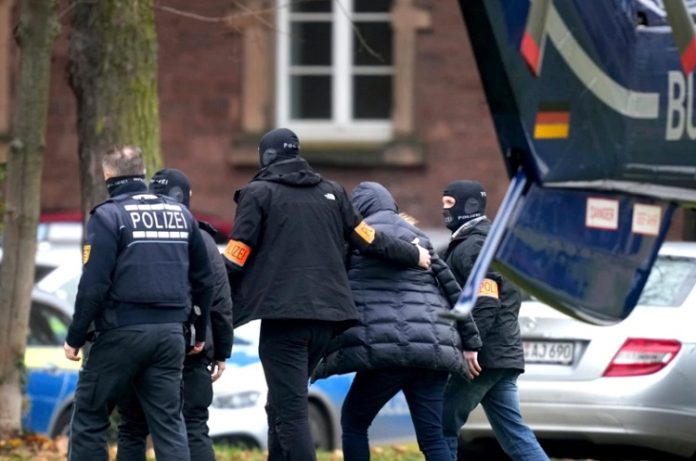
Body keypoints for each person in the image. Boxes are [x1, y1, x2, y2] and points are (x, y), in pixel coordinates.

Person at [223, 128, 431, 461]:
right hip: (327, 320)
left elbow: (239, 253)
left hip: (285, 320)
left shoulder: (258, 193)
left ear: (266, 157)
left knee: (291, 412)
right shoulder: (332, 192)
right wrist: (412, 253)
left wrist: (206, 280)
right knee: (281, 404)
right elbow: (368, 239)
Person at [312, 181, 482, 461]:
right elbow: (453, 290)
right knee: (432, 436)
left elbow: (334, 286)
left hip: (385, 349)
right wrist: (471, 343)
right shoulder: (419, 237)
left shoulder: (355, 238)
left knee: (354, 423)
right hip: (433, 348)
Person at [64, 146, 214, 461]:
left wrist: (75, 336)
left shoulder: (108, 216)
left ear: (107, 174)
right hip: (170, 336)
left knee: (90, 415)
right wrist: (199, 332)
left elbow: (94, 285)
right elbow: (203, 280)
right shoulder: (181, 215)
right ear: (143, 173)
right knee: (169, 425)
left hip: (120, 332)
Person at [115, 168, 235, 461]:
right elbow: (220, 301)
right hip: (192, 351)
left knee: (132, 428)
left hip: (138, 346)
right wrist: (221, 351)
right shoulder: (203, 241)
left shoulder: (132, 234)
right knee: (194, 426)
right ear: (188, 196)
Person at [439, 180, 549, 461]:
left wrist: (470, 345)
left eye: (450, 204)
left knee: (440, 427)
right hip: (501, 355)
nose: (444, 210)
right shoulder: (491, 241)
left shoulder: (476, 245)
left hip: (481, 358)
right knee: (515, 435)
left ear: (469, 206)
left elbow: (487, 299)